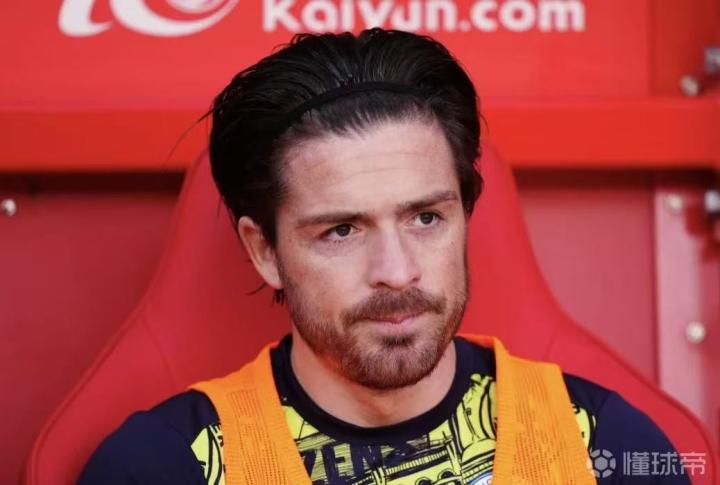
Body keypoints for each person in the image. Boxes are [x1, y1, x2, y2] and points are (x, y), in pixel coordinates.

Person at [80, 28, 688, 484]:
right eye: (342, 230)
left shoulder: (604, 448)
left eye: (426, 218)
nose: (397, 272)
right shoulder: (162, 465)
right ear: (264, 251)